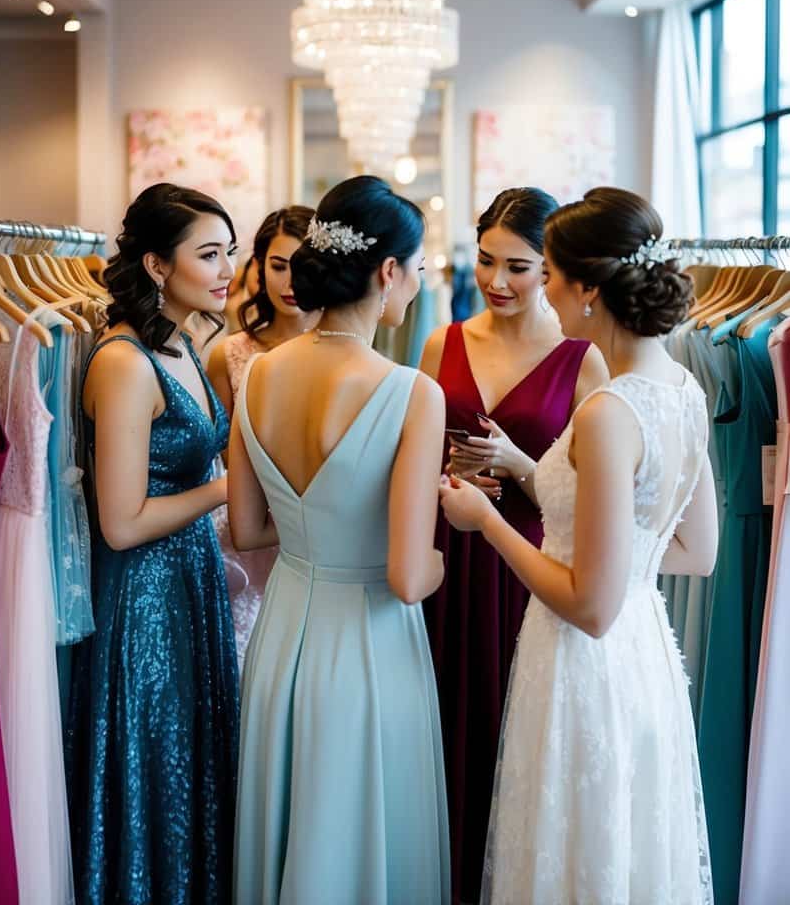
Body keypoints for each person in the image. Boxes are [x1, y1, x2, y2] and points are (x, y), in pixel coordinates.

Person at [440, 187, 718, 905]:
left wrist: (488, 521)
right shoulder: (682, 388)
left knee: (570, 844)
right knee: (620, 846)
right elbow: (692, 551)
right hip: (643, 654)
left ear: (587, 288)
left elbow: (588, 608)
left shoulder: (606, 412)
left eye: (550, 275)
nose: (544, 294)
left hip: (580, 661)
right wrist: (527, 471)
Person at [229, 175, 449, 905]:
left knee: (288, 824)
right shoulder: (411, 391)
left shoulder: (257, 374)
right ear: (388, 271)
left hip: (282, 631)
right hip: (368, 645)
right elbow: (409, 577)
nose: (416, 288)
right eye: (417, 271)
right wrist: (445, 554)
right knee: (364, 835)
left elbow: (246, 529)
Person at [420, 187, 606, 902]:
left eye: (519, 267)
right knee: (449, 712)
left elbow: (589, 494)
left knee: (519, 726)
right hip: (451, 549)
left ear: (550, 267)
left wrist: (519, 470)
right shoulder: (444, 342)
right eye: (488, 262)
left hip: (528, 556)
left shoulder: (582, 359)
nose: (496, 282)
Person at [66, 183, 240, 905]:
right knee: (158, 767)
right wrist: (226, 490)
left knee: (192, 765)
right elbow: (122, 522)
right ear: (157, 266)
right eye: (208, 253)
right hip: (144, 601)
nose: (227, 268)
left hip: (188, 580)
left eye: (230, 251)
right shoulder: (124, 362)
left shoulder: (180, 345)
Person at [207, 205, 318, 663]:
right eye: (278, 266)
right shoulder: (227, 354)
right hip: (248, 535)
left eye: (302, 267)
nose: (290, 283)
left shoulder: (347, 349)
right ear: (257, 267)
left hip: (320, 537)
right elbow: (221, 456)